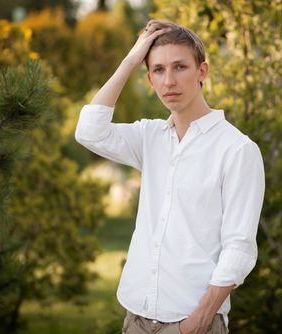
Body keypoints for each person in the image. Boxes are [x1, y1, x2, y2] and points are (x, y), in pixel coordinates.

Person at [75, 20, 265, 334]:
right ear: (149, 79)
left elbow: (240, 248)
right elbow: (89, 131)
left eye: (180, 67)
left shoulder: (237, 149)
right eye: (158, 71)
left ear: (202, 71)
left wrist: (199, 321)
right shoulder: (150, 137)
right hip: (135, 318)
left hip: (192, 324)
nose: (169, 81)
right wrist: (131, 60)